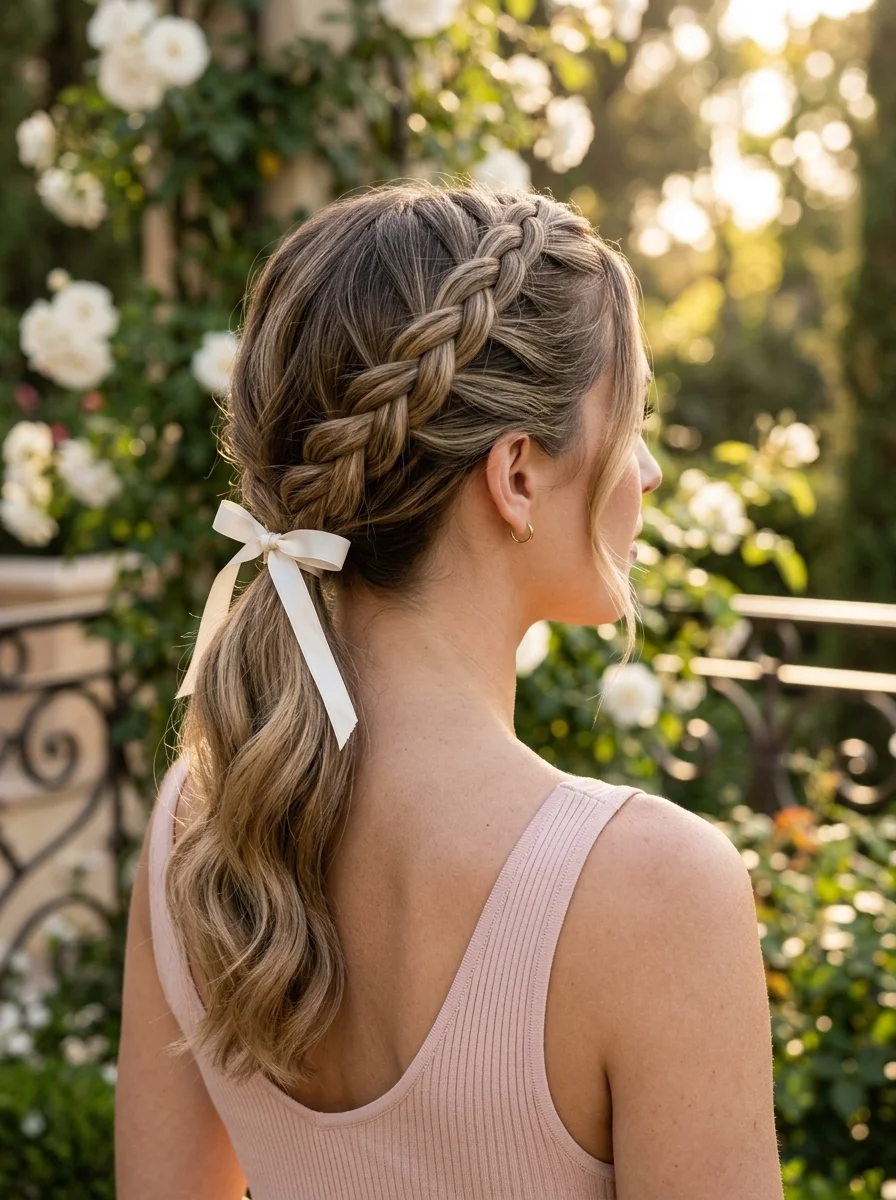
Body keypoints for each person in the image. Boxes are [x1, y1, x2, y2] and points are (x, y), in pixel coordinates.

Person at [116, 179, 784, 1199]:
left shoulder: (195, 825)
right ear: (516, 474)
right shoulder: (654, 892)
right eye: (632, 417)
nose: (644, 471)